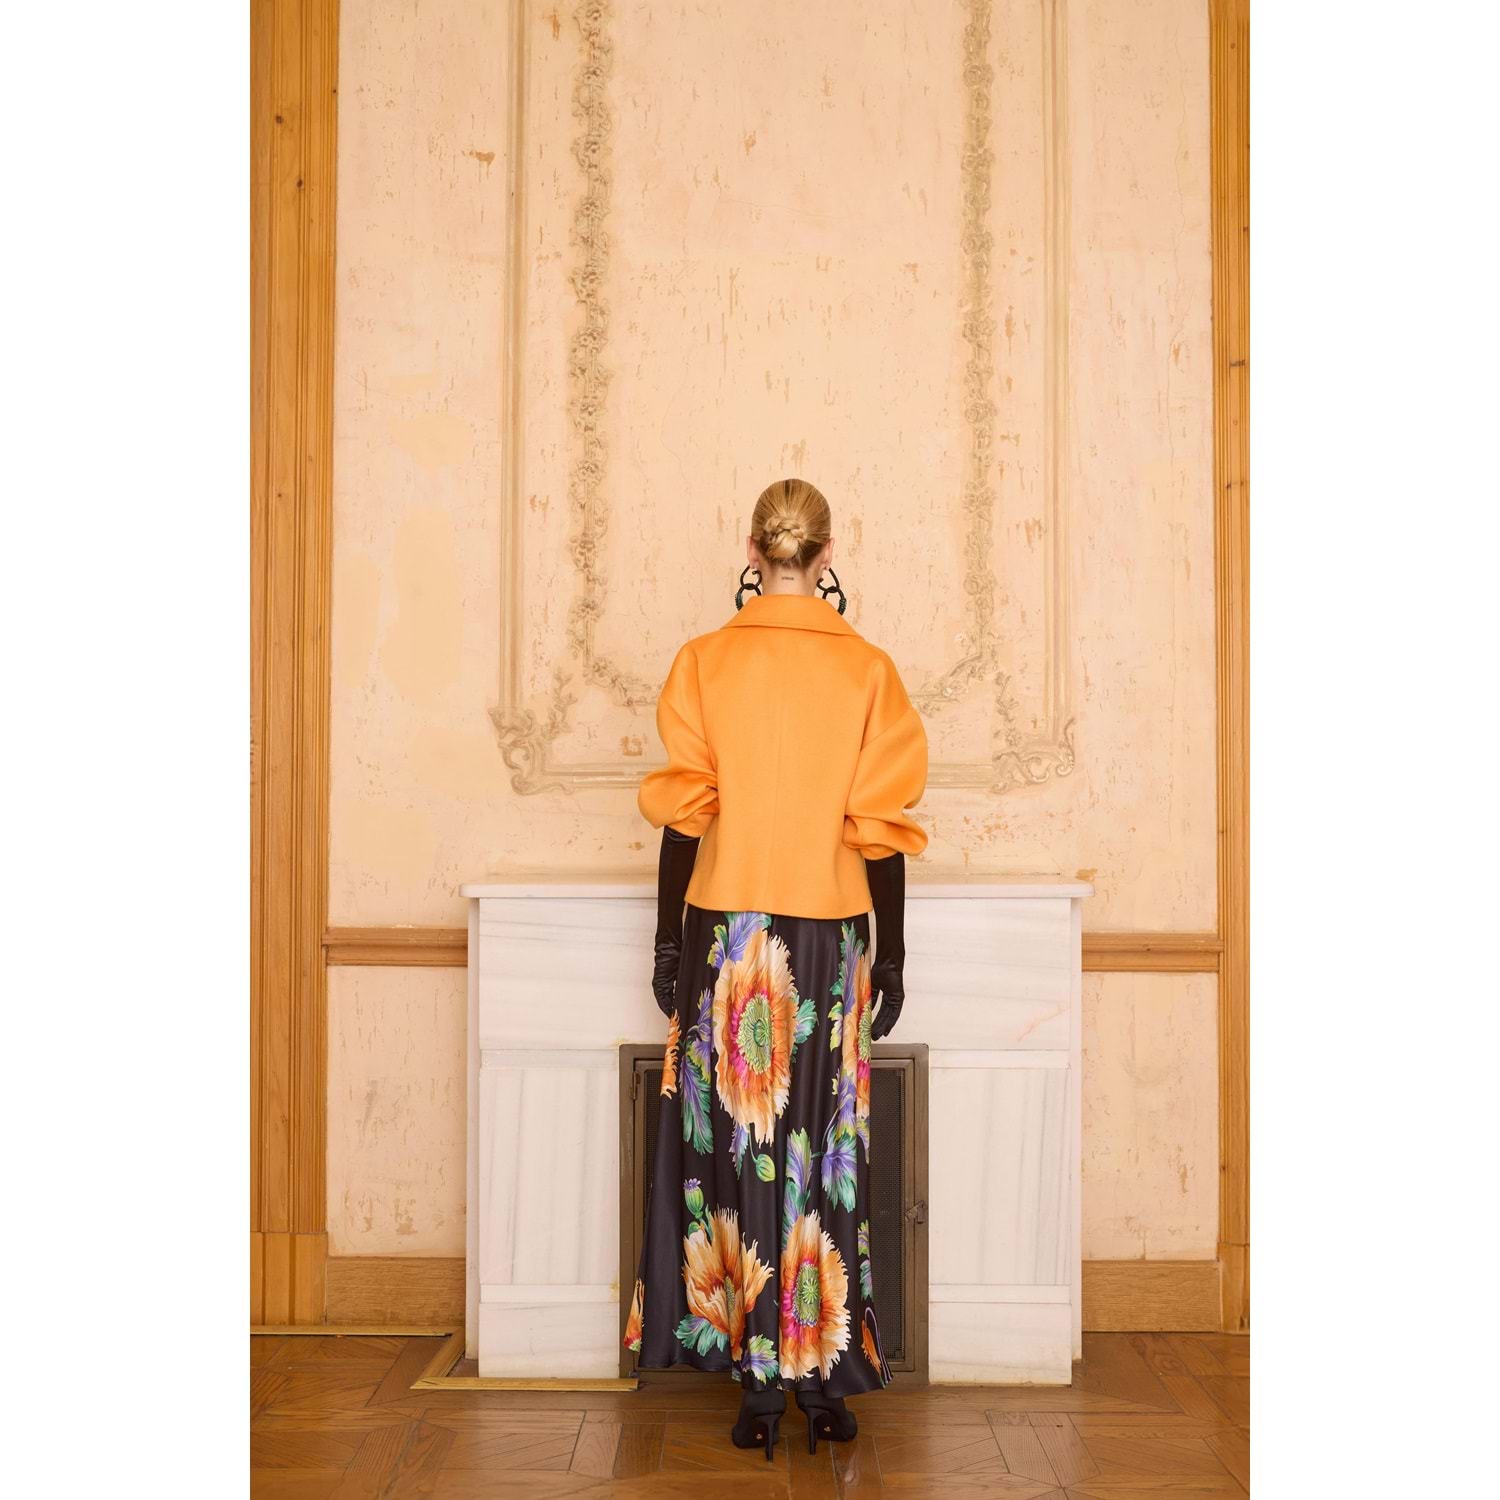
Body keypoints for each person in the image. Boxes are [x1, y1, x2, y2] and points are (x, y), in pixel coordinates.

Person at [622, 477, 928, 1459]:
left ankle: (757, 1388)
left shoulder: (704, 662)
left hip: (729, 935)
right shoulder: (869, 672)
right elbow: (880, 833)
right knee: (825, 1156)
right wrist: (892, 954)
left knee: (735, 1155)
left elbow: (684, 820)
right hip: (829, 941)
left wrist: (668, 942)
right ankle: (823, 1381)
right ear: (826, 554)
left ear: (754, 552)